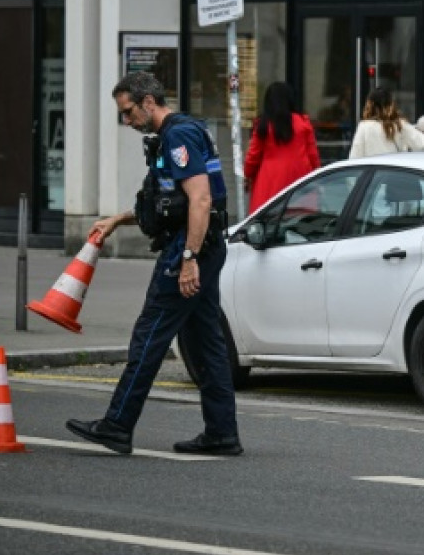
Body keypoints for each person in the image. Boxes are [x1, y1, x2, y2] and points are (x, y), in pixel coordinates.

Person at [66, 71, 241, 457]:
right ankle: (222, 433)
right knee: (205, 341)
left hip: (192, 246)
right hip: (201, 244)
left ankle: (117, 424)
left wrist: (188, 259)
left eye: (128, 112)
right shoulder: (176, 134)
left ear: (148, 102)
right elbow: (165, 202)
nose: (126, 121)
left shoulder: (178, 136)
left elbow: (199, 201)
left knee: (151, 334)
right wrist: (118, 219)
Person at [243, 81, 321, 214]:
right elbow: (313, 156)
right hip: (300, 181)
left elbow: (252, 159)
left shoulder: (263, 126)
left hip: (269, 183)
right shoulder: (303, 123)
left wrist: (247, 175)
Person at [349, 87, 424, 157]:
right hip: (394, 179)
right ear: (391, 105)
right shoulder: (400, 125)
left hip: (374, 181)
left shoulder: (364, 127)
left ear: (370, 105)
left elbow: (355, 157)